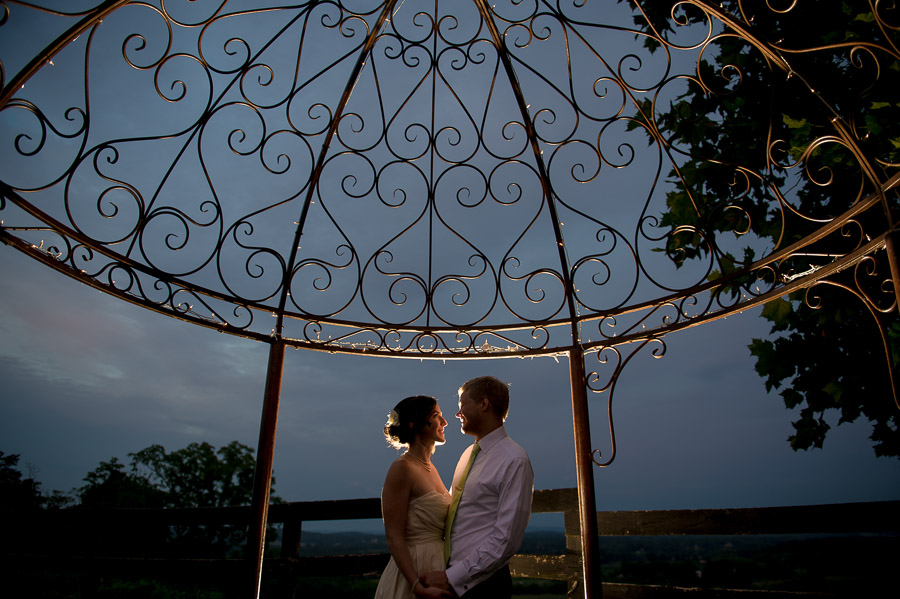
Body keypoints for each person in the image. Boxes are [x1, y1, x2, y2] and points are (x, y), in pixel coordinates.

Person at [420, 376, 534, 598]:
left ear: (483, 404)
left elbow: (507, 539)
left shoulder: (514, 460)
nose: (457, 413)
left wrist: (452, 577)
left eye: (462, 405)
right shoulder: (467, 456)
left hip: (484, 585)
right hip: (451, 580)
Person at [375, 395, 454, 599]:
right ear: (416, 424)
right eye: (437, 416)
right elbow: (394, 536)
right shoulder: (402, 468)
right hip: (413, 572)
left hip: (438, 567)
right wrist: (416, 585)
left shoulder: (432, 469)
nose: (444, 422)